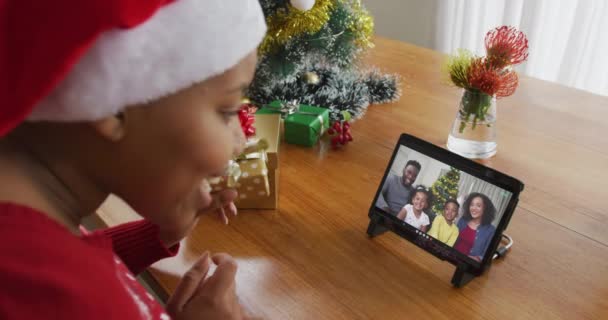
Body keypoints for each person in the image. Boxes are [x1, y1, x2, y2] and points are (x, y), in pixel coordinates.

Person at [0, 0, 267, 319]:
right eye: (226, 112)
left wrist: (155, 236)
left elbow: (70, 260)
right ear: (111, 103)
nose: (240, 141)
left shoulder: (29, 250)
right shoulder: (75, 299)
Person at [454, 193, 497, 262]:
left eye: (478, 206)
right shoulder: (463, 220)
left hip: (467, 264)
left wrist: (476, 259)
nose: (474, 208)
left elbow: (486, 255)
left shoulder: (491, 230)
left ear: (485, 208)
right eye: (472, 205)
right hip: (452, 257)